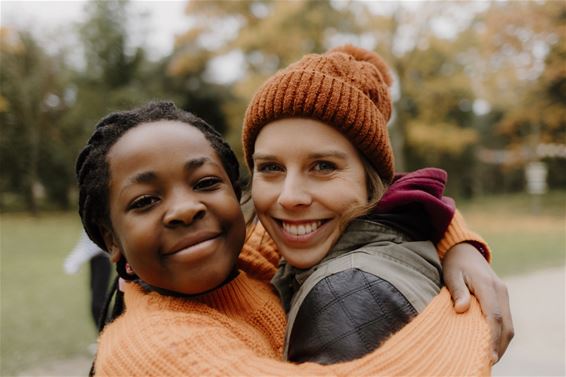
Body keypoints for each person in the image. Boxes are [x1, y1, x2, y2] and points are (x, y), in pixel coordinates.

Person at [77, 101, 491, 376]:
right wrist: (473, 317)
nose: (186, 209)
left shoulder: (252, 256)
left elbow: (382, 196)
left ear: (238, 194)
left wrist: (460, 245)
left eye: (205, 182)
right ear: (109, 239)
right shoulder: (155, 349)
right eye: (146, 200)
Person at [242, 44, 512, 363]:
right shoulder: (322, 257)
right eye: (271, 168)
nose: (290, 196)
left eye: (323, 166)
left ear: (372, 182)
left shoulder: (349, 294)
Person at [64, 230, 111, 328]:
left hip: (104, 259)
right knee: (96, 304)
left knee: (98, 304)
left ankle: (108, 338)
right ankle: (103, 338)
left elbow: (96, 243)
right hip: (95, 260)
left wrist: (76, 259)